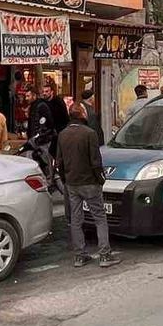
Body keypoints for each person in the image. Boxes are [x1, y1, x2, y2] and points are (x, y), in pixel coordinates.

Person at [57, 103, 120, 268]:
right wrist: (101, 179)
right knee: (99, 217)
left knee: (76, 219)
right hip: (90, 182)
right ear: (82, 114)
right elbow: (95, 161)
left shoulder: (63, 134)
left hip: (72, 182)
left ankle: (80, 255)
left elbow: (59, 162)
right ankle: (104, 254)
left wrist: (65, 179)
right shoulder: (89, 133)